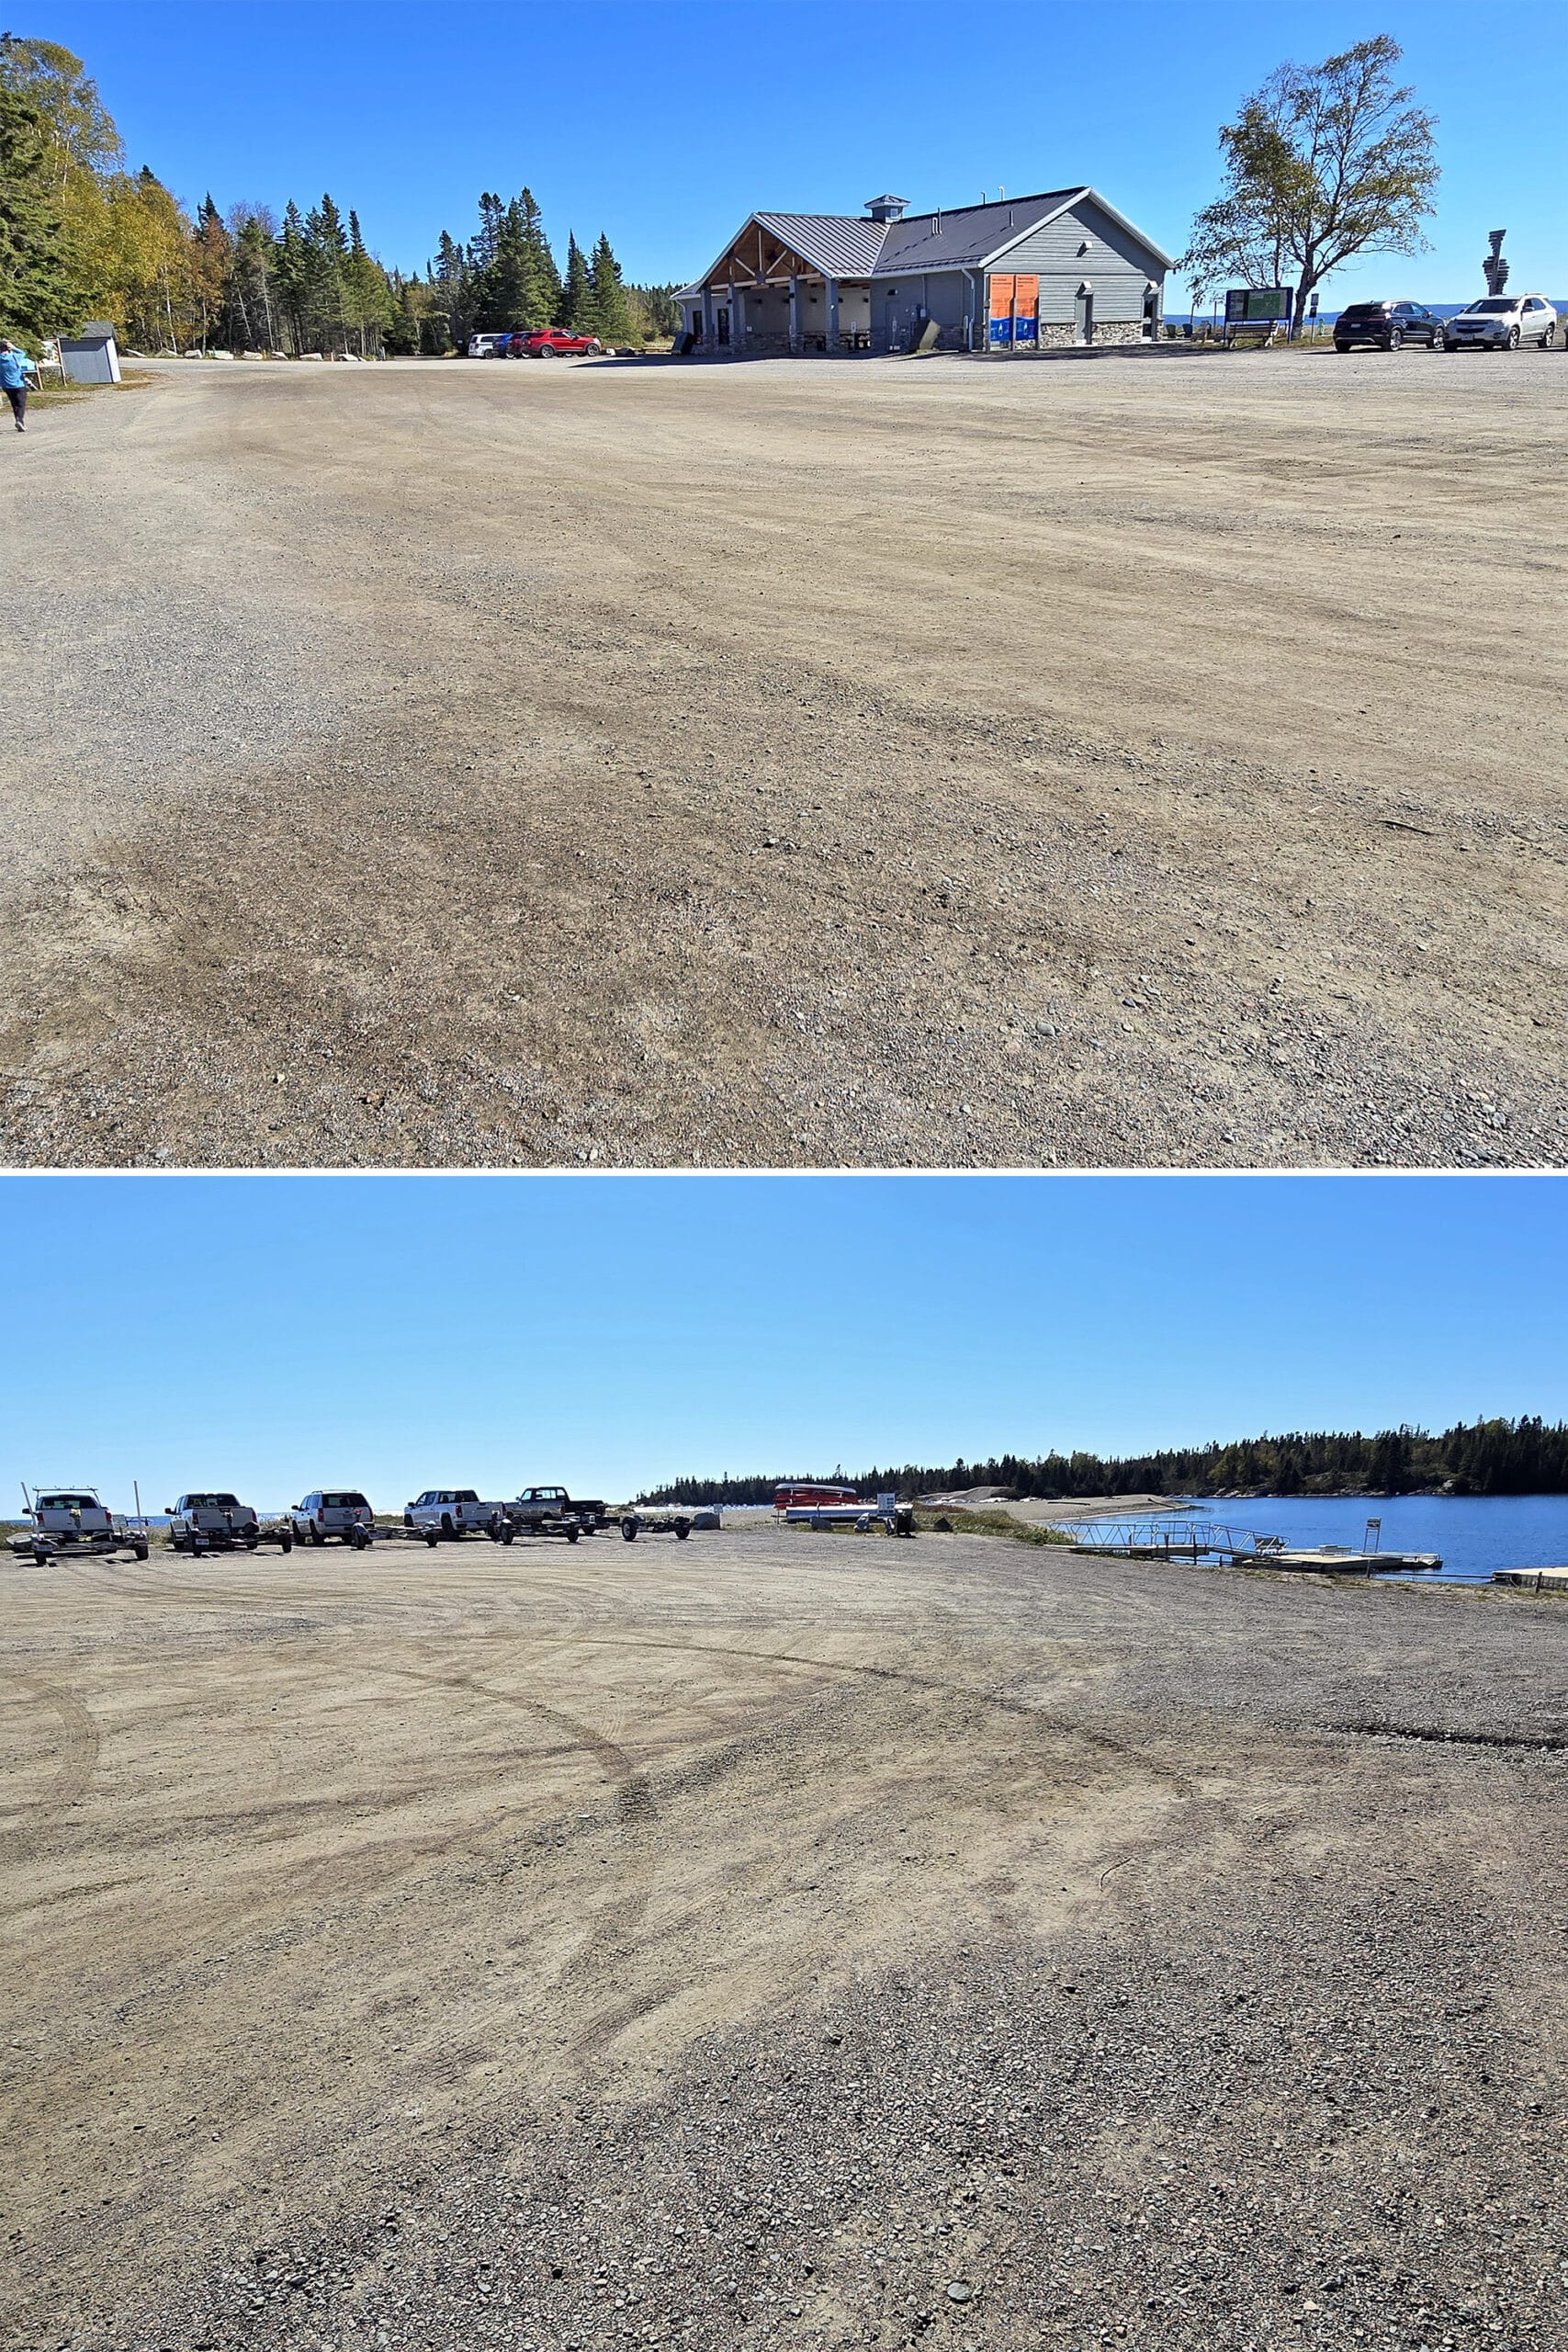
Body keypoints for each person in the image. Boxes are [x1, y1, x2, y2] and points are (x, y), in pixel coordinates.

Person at [0, 337, 39, 432]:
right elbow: (23, 353)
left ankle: (19, 420)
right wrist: (13, 347)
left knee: (14, 404)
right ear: (7, 348)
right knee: (21, 404)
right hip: (18, 384)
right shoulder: (14, 357)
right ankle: (20, 421)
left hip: (6, 385)